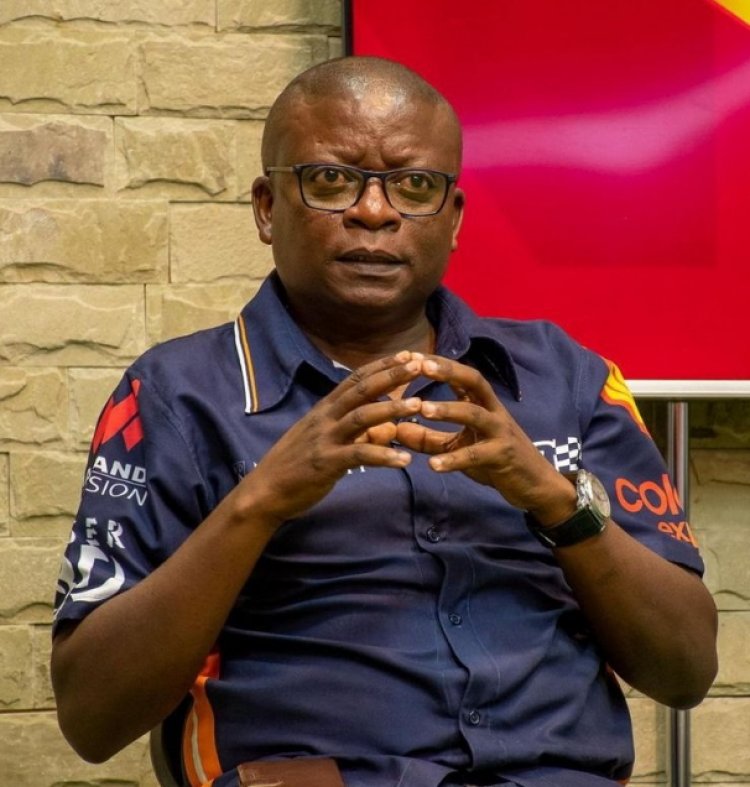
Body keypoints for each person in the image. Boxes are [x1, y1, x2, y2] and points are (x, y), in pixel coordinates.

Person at [51, 56, 718, 787]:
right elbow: (93, 715)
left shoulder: (566, 377)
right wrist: (260, 501)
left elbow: (685, 669)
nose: (374, 211)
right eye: (331, 180)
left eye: (414, 186)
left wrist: (555, 501)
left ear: (453, 218)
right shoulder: (176, 395)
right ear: (267, 208)